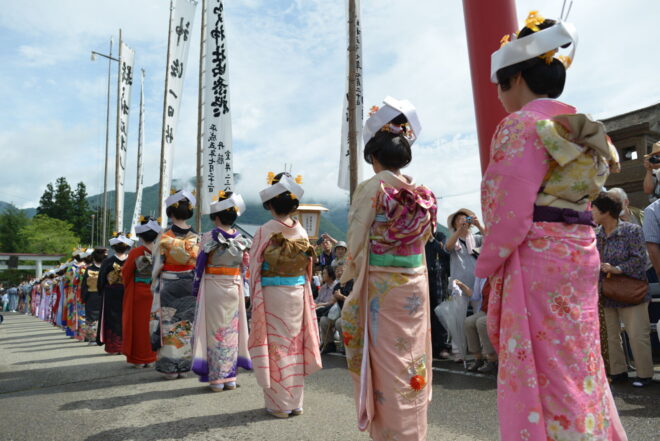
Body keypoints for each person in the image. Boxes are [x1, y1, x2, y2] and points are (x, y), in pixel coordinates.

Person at [476, 12, 626, 440]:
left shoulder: (521, 126)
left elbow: (507, 211)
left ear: (518, 79)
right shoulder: (580, 127)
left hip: (537, 255)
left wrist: (487, 266)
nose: (501, 96)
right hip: (579, 249)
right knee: (578, 359)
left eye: (501, 85)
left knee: (546, 368)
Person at [340, 97, 436, 441]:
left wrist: (348, 274)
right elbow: (424, 237)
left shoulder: (371, 188)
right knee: (411, 356)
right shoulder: (421, 193)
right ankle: (414, 431)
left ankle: (393, 434)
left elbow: (355, 241)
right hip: (415, 281)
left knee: (386, 363)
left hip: (382, 285)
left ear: (373, 156)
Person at [247, 172, 322, 419]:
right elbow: (309, 266)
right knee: (295, 343)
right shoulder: (300, 231)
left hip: (272, 293)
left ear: (270, 204)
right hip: (297, 292)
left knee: (277, 344)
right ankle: (295, 402)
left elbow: (254, 267)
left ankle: (280, 404)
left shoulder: (264, 230)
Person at [191, 192, 252, 391]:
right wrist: (242, 285)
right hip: (233, 285)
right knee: (231, 331)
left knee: (214, 331)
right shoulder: (241, 239)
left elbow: (200, 264)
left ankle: (217, 378)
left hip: (213, 285)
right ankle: (231, 377)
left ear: (216, 217)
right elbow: (245, 265)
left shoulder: (208, 237)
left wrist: (195, 286)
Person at [592, 193, 654, 388]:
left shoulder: (632, 230)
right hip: (606, 292)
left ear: (606, 211)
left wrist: (616, 269)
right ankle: (618, 372)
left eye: (594, 208)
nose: (591, 212)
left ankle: (645, 375)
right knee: (611, 334)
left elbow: (640, 260)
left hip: (631, 291)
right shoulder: (596, 235)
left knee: (638, 334)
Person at [151, 189, 200, 379]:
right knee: (187, 323)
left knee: (168, 324)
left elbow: (156, 265)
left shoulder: (163, 237)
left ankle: (170, 368)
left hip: (169, 284)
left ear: (170, 213)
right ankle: (185, 364)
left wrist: (154, 283)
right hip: (190, 283)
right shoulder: (197, 237)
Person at [122, 217, 160, 368]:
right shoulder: (160, 251)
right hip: (156, 291)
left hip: (138, 292)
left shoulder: (136, 252)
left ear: (141, 236)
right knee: (154, 324)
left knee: (138, 326)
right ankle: (152, 356)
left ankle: (139, 358)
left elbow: (126, 273)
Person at [97, 233, 133, 354]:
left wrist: (101, 290)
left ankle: (113, 347)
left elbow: (101, 278)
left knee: (112, 319)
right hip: (128, 291)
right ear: (127, 247)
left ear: (114, 247)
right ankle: (125, 346)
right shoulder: (130, 260)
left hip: (111, 292)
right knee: (126, 318)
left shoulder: (108, 261)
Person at [458, 278, 497, 373]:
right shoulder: (481, 276)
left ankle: (493, 360)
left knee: (481, 323)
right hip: (486, 310)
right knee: (468, 322)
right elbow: (475, 296)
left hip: (499, 311)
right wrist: (462, 286)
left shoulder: (501, 274)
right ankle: (478, 358)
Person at [81, 248, 106, 344]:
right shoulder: (106, 267)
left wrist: (84, 297)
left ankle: (92, 338)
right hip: (103, 294)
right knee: (102, 316)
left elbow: (84, 286)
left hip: (91, 294)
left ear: (93, 258)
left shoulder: (89, 269)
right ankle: (101, 337)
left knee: (91, 317)